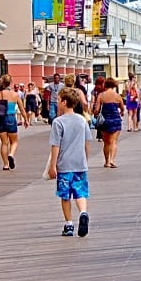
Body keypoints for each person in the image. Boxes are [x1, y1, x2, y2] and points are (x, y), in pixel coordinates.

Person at [47, 87, 92, 237]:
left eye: (59, 100)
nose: (57, 102)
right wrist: (85, 159)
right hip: (80, 163)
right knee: (80, 193)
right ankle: (83, 213)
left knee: (65, 196)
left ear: (65, 102)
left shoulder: (58, 122)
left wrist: (53, 165)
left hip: (64, 165)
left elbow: (56, 146)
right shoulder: (82, 120)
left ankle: (69, 224)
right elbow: (87, 143)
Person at [0, 74, 29, 171]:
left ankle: (5, 165)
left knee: (4, 143)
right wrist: (26, 120)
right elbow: (22, 109)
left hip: (0, 119)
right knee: (14, 141)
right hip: (11, 119)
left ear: (2, 83)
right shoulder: (15, 94)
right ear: (11, 82)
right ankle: (11, 154)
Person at [93, 77, 125, 168]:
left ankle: (107, 162)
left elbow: (97, 109)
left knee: (106, 142)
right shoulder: (117, 96)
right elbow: (122, 109)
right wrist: (121, 113)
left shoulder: (101, 95)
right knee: (114, 141)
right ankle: (112, 160)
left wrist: (95, 114)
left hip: (105, 121)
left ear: (105, 85)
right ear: (114, 86)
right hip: (115, 120)